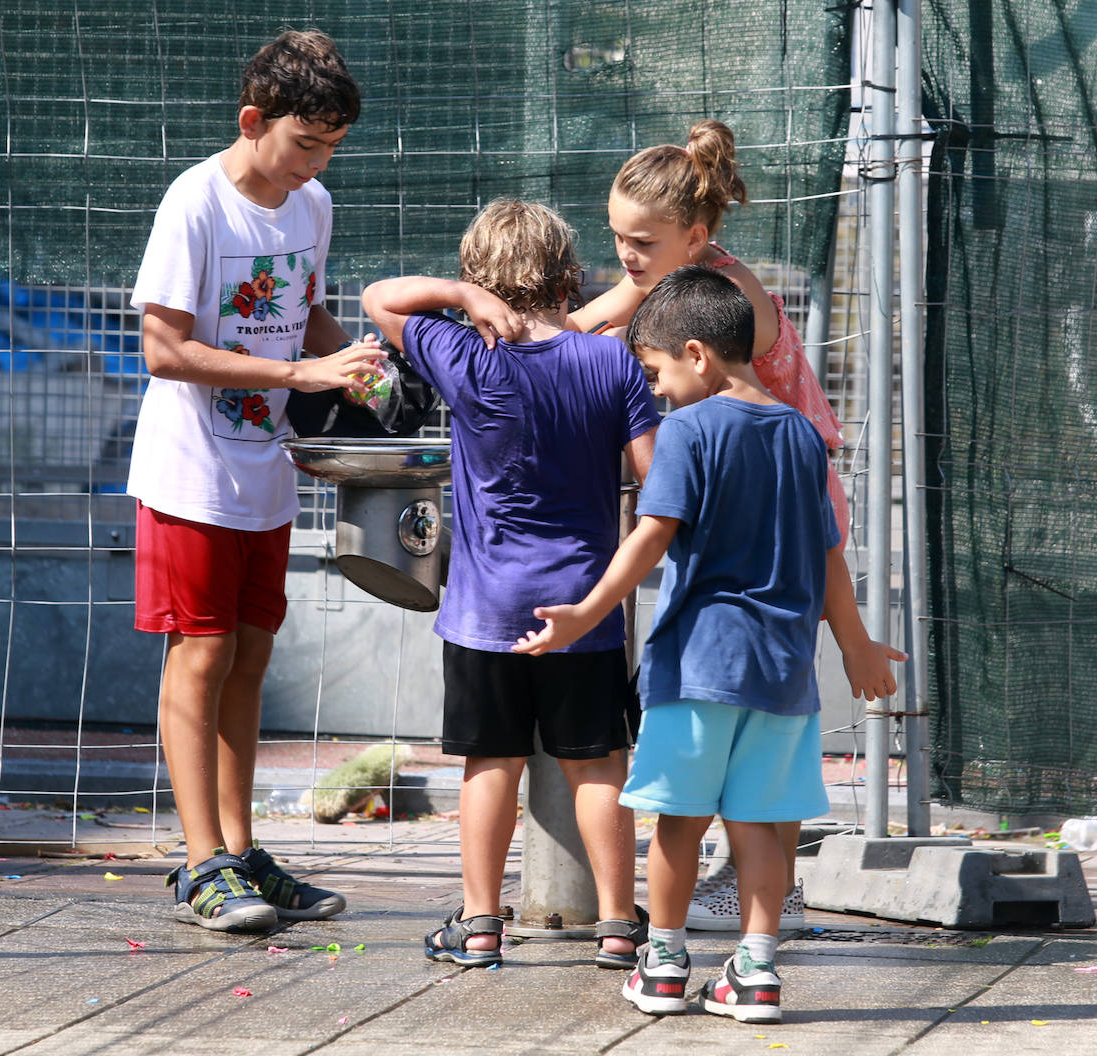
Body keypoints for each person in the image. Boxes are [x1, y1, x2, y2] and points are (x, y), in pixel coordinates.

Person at [515, 266, 904, 1023]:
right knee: (762, 829)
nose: (655, 391)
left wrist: (585, 611)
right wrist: (854, 644)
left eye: (655, 371)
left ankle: (662, 966)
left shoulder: (688, 431)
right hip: (783, 675)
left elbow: (652, 536)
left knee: (679, 823)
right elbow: (830, 553)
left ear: (696, 354)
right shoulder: (800, 432)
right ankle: (756, 975)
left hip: (695, 667)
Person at [127, 29, 386, 932]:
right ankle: (201, 864)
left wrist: (358, 362)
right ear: (253, 120)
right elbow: (164, 348)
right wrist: (297, 378)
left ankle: (239, 852)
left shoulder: (310, 206)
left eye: (330, 147)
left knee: (250, 655)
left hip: (263, 469)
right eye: (304, 143)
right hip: (190, 472)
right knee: (199, 655)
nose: (316, 164)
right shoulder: (192, 203)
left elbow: (301, 312)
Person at [362, 199, 662, 969]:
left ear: (480, 280)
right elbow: (654, 480)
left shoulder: (463, 355)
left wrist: (461, 300)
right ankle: (619, 927)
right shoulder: (610, 360)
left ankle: (481, 923)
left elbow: (378, 299)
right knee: (596, 762)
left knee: (490, 762)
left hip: (482, 610)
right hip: (587, 607)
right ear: (567, 275)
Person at [569, 118, 852, 933]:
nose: (625, 253)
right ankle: (756, 886)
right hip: (748, 500)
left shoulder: (730, 297)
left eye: (641, 240)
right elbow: (593, 322)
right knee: (758, 712)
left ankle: (775, 890)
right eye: (617, 235)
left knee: (772, 702)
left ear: (693, 237)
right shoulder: (674, 274)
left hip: (785, 497)